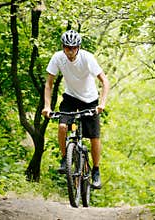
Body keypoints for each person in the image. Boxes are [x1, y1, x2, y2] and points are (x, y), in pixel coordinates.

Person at [41, 30, 110, 189]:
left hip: (90, 99)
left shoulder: (87, 58)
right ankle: (65, 158)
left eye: (73, 48)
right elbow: (49, 84)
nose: (70, 51)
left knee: (94, 137)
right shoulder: (57, 58)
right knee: (62, 126)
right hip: (70, 98)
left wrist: (102, 104)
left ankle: (96, 170)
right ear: (63, 47)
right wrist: (47, 106)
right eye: (67, 47)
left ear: (78, 47)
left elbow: (104, 81)